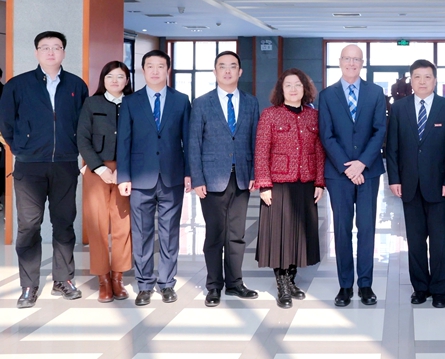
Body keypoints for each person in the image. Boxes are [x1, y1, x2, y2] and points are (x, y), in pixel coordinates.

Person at [0, 31, 88, 308]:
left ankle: (64, 279)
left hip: (65, 163)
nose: (51, 52)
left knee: (64, 223)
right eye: (45, 47)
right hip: (29, 167)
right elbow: (6, 122)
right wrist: (21, 148)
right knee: (28, 225)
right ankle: (28, 285)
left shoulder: (76, 85)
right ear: (36, 52)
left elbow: (83, 124)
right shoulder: (18, 85)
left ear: (64, 52)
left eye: (56, 47)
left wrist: (77, 150)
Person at [116, 49, 192, 307]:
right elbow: (123, 141)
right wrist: (124, 177)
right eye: (150, 66)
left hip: (172, 176)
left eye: (161, 66)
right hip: (139, 178)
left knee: (170, 232)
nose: (156, 71)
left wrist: (189, 173)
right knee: (142, 233)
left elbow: (188, 141)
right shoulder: (130, 102)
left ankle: (167, 283)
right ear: (143, 70)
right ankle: (145, 284)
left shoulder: (181, 100)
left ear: (168, 70)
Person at [386, 59, 445, 309]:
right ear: (411, 80)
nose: (422, 81)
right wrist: (394, 179)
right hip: (409, 185)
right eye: (417, 77)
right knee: (415, 240)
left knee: (439, 241)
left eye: (427, 77)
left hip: (439, 185)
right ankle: (420, 287)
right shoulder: (399, 108)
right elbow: (392, 147)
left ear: (435, 80)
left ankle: (439, 289)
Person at [188, 51, 260, 308]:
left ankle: (235, 283)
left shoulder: (251, 102)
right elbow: (194, 143)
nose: (227, 71)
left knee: (237, 234)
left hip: (242, 176)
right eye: (222, 66)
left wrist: (255, 173)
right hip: (211, 178)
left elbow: (256, 140)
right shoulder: (201, 103)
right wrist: (197, 178)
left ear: (240, 72)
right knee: (215, 234)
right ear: (215, 71)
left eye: (232, 66)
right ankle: (214, 286)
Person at [317, 44, 386, 307]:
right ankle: (345, 285)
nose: (352, 63)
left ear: (362, 62)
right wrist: (348, 167)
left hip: (369, 172)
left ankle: (365, 284)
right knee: (342, 229)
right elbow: (326, 135)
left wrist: (362, 164)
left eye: (356, 59)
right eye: (347, 58)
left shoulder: (375, 92)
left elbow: (380, 131)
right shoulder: (327, 95)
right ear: (340, 61)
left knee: (366, 229)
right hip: (339, 174)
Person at [254, 68, 325, 309]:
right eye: (288, 85)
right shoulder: (270, 115)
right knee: (279, 235)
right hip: (278, 184)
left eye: (298, 85)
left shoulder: (313, 116)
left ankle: (292, 279)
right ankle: (282, 283)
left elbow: (319, 151)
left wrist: (319, 181)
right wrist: (264, 184)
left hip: (305, 183)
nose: (293, 89)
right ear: (281, 90)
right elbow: (261, 151)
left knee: (299, 235)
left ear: (305, 89)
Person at [77, 61, 133, 303]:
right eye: (110, 76)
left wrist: (124, 169)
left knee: (122, 224)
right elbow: (82, 138)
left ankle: (118, 277)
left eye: (120, 76)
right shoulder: (92, 103)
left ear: (127, 80)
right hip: (96, 170)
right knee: (97, 225)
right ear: (103, 79)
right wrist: (100, 169)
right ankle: (103, 279)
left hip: (126, 171)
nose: (115, 81)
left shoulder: (134, 103)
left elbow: (139, 138)